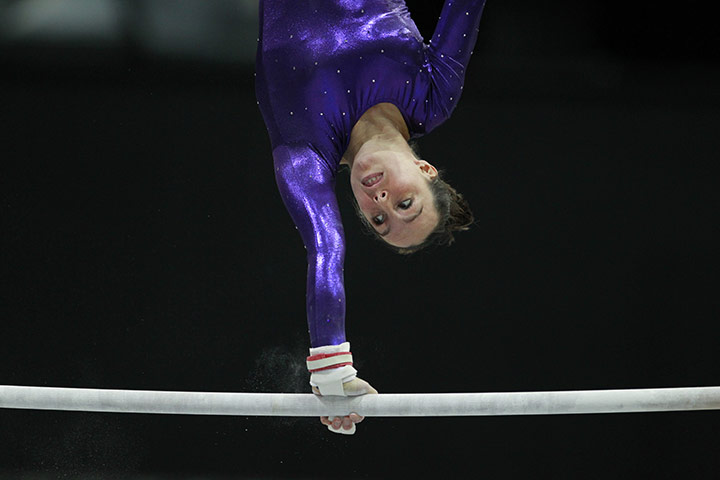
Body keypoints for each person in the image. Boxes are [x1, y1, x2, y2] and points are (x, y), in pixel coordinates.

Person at [255, 0, 486, 434]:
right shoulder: (433, 96)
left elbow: (325, 246)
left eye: (378, 219)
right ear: (425, 170)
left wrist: (330, 371)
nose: (380, 199)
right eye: (404, 204)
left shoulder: (304, 153)